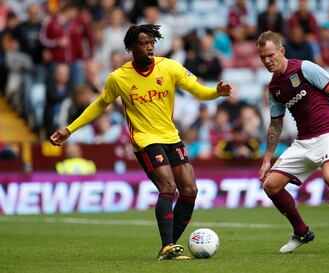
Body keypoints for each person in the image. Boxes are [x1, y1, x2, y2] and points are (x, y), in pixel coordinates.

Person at [49, 24, 232, 260]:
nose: (149, 47)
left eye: (151, 43)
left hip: (171, 137)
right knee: (168, 187)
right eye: (143, 43)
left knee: (190, 190)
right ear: (131, 48)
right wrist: (69, 129)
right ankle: (167, 245)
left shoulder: (169, 67)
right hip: (145, 141)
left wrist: (217, 91)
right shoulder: (119, 78)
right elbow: (99, 105)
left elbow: (199, 91)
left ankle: (170, 247)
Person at [256, 31, 329, 254]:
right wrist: (267, 159)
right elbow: (275, 124)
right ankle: (301, 232)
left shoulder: (305, 68)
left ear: (281, 51)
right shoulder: (274, 88)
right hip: (303, 141)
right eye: (262, 58)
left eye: (270, 55)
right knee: (270, 185)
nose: (267, 61)